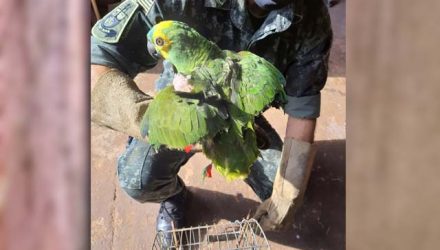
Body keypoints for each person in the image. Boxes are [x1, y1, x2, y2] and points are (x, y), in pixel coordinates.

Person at [91, 0, 332, 238]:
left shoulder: (311, 15)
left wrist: (287, 195)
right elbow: (93, 62)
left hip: (242, 117)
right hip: (180, 107)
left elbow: (303, 106)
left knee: (281, 188)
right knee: (138, 180)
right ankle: (173, 196)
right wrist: (153, 120)